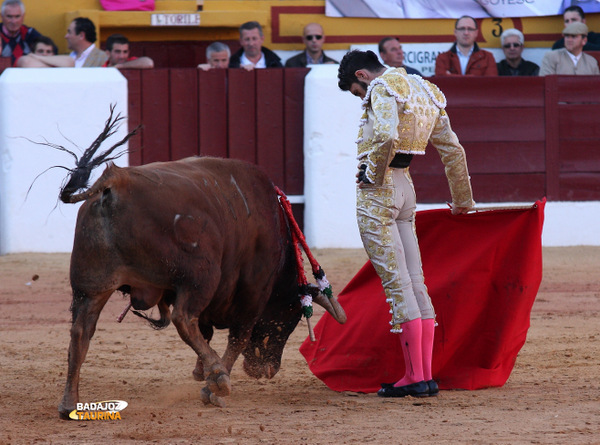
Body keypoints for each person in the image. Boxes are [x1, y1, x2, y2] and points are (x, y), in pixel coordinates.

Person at [337, 50, 474, 398]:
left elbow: (385, 137)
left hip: (379, 194)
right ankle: (423, 377)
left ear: (363, 76)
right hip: (405, 190)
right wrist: (462, 202)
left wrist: (371, 175)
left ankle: (414, 377)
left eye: (357, 92)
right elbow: (453, 150)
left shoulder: (382, 88)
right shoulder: (425, 89)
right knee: (416, 281)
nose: (361, 98)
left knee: (399, 285)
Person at [0, 0, 41, 65]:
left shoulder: (29, 33)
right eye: (9, 16)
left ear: (23, 16)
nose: (13, 21)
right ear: (2, 16)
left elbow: (51, 51)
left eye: (17, 16)